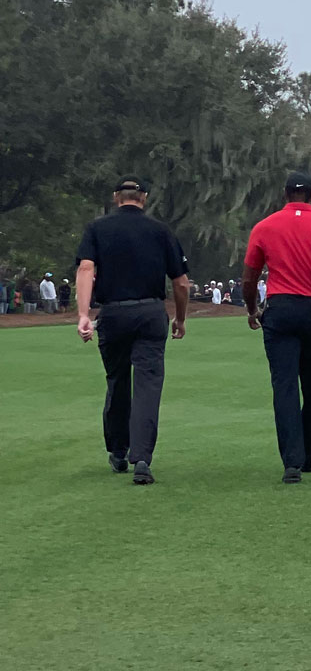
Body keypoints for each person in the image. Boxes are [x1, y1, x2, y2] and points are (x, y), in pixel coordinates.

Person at [74, 175, 190, 485]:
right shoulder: (160, 231)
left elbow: (86, 269)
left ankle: (117, 449)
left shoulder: (97, 228)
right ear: (144, 198)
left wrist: (84, 314)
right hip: (150, 311)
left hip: (113, 311)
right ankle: (142, 458)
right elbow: (180, 282)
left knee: (117, 381)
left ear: (116, 197)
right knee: (148, 385)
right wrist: (180, 317)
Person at [242, 172, 311, 484]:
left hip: (279, 310)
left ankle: (291, 462)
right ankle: (308, 452)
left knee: (285, 386)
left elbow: (250, 277)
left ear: (285, 194)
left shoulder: (265, 227)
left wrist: (252, 309)